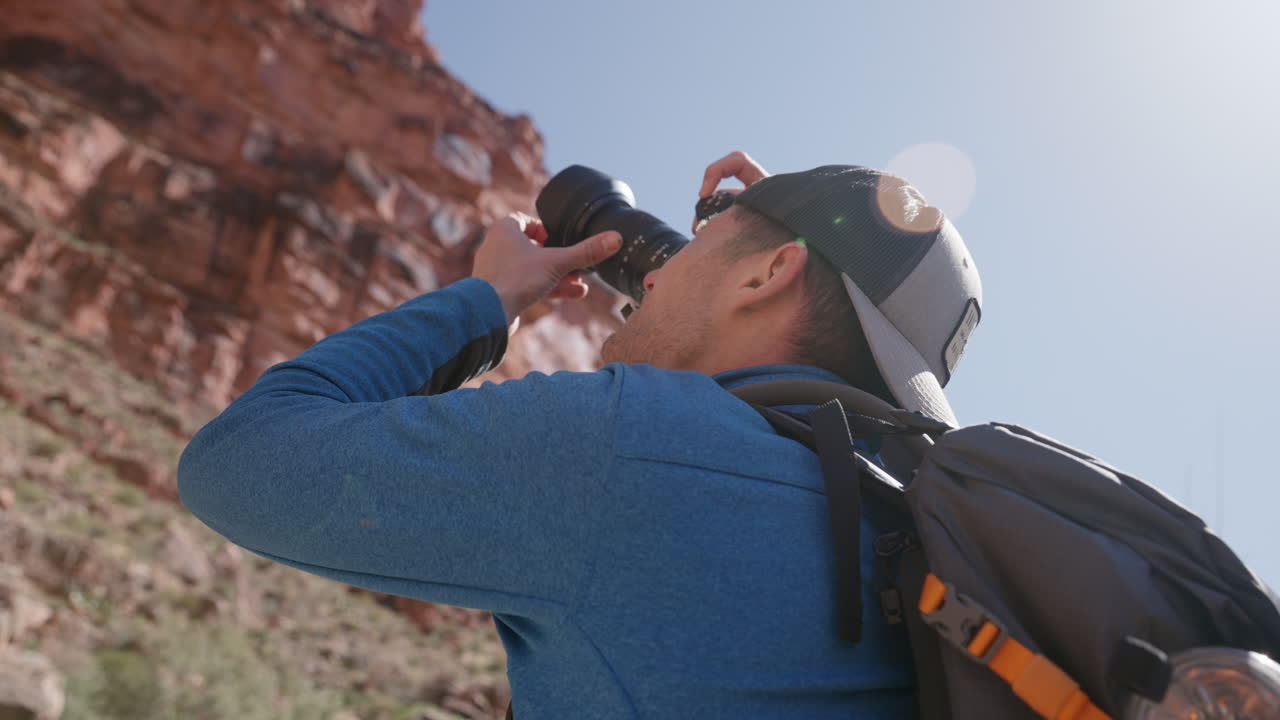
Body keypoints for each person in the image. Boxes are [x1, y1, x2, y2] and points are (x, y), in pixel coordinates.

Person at [178, 150, 983, 719]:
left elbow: (240, 459)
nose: (653, 272)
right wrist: (777, 244)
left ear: (771, 275)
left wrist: (485, 299)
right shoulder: (926, 518)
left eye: (696, 240)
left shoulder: (633, 450)